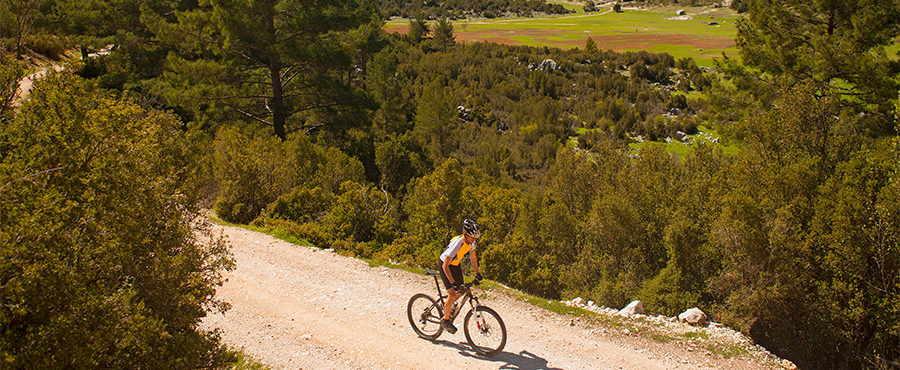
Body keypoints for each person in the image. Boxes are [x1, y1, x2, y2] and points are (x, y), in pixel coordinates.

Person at [439, 219, 484, 334]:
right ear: (465, 234)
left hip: (455, 266)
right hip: (445, 266)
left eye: (475, 238)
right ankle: (445, 320)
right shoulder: (458, 243)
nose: (474, 240)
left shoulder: (472, 242)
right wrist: (452, 282)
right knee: (452, 293)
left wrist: (477, 273)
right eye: (472, 237)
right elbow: (445, 265)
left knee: (462, 290)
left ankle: (448, 305)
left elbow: (473, 257)